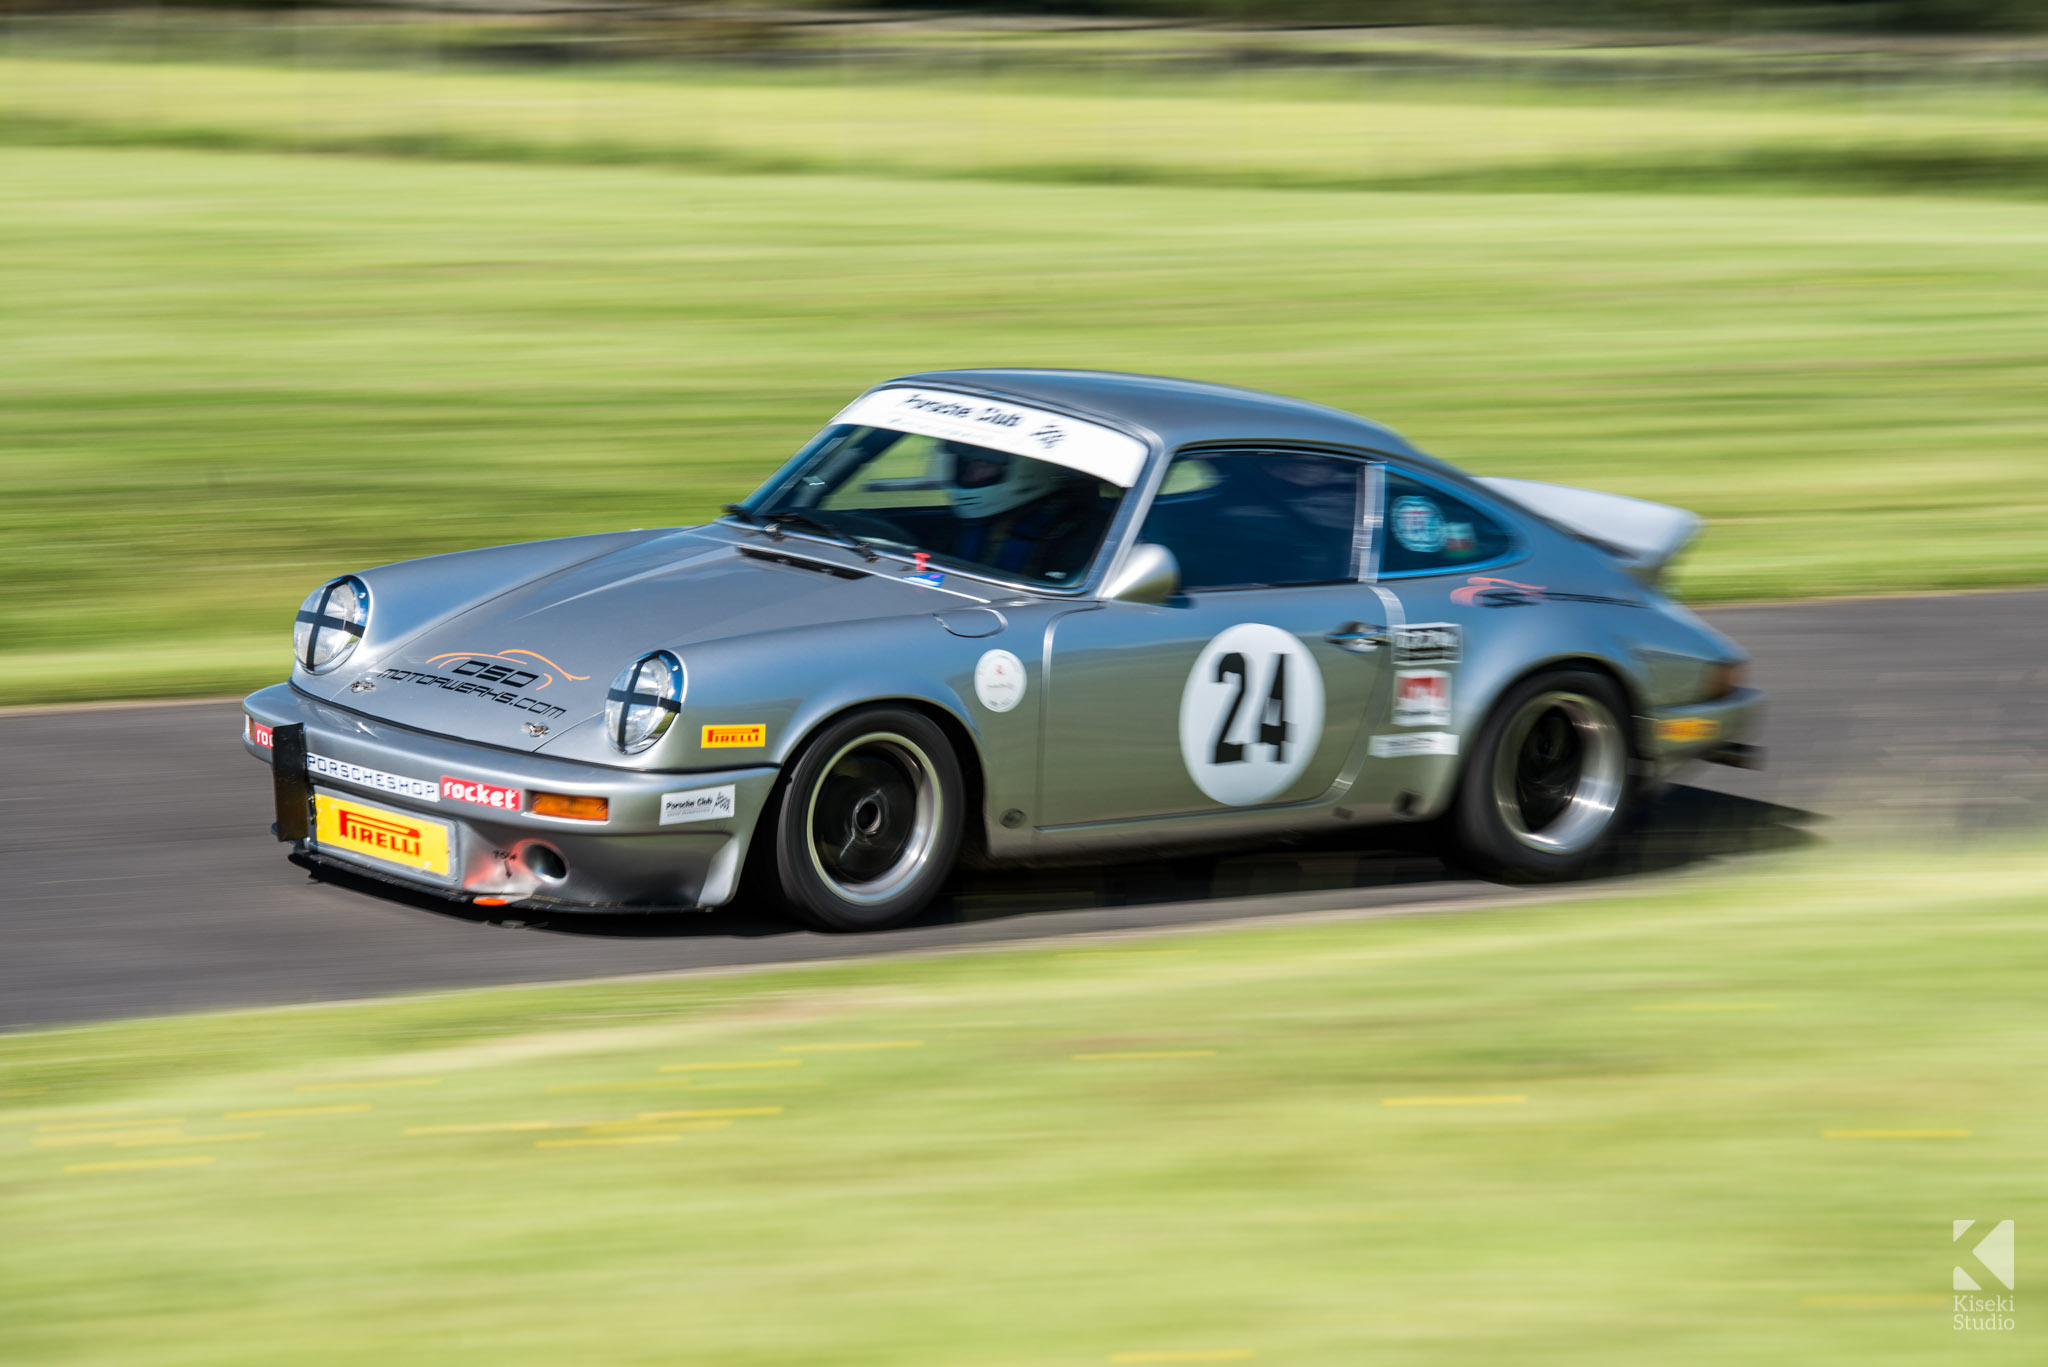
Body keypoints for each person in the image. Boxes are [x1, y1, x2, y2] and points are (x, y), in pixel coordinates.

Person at [933, 440, 1103, 582]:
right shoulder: (968, 523)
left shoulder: (1074, 533)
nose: (970, 475)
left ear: (1027, 472)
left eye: (985, 465)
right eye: (966, 464)